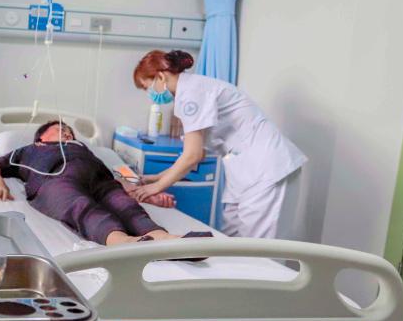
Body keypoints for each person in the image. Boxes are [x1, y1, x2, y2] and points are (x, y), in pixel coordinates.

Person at [130, 50, 307, 238]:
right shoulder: (189, 91)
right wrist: (156, 177)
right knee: (231, 238)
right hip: (245, 169)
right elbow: (196, 154)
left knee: (259, 247)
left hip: (266, 169)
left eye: (147, 87)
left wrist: (156, 187)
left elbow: (193, 155)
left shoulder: (191, 93)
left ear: (160, 76)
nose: (150, 94)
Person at [0, 121, 188, 245]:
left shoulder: (84, 149)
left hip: (101, 180)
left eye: (69, 131)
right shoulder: (29, 150)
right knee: (81, 206)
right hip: (55, 179)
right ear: (40, 138)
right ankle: (121, 241)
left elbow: (117, 175)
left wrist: (144, 194)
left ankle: (162, 238)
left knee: (126, 206)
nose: (67, 132)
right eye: (60, 129)